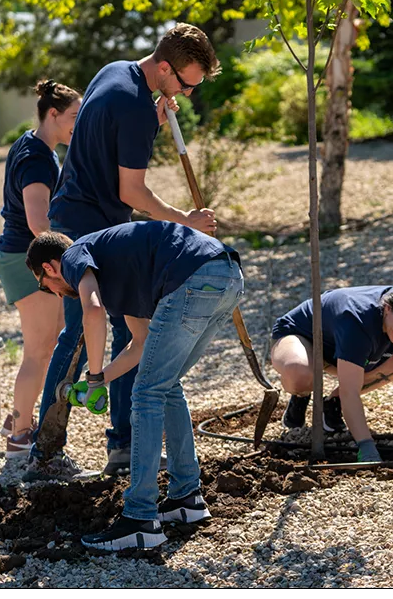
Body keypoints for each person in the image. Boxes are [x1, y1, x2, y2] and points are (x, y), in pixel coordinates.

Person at [32, 23, 223, 476]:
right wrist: (186, 221)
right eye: (186, 83)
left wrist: (154, 117)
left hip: (86, 216)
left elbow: (106, 137)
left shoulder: (116, 72)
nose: (189, 94)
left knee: (125, 330)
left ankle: (121, 446)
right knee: (82, 334)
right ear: (163, 67)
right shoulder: (136, 106)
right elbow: (133, 191)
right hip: (87, 226)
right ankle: (46, 451)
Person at [27, 222, 244, 550]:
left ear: (49, 267)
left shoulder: (73, 255)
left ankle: (140, 518)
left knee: (146, 393)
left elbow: (93, 310)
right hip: (227, 276)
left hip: (194, 276)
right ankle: (187, 500)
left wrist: (97, 376)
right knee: (166, 385)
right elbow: (140, 343)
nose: (57, 294)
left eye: (48, 287)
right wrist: (98, 379)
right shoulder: (119, 273)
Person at [269, 277, 393, 463]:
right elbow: (350, 390)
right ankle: (300, 397)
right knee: (301, 374)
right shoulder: (358, 322)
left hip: (340, 346)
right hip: (300, 335)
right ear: (387, 308)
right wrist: (366, 445)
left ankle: (332, 405)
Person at [0, 80, 80, 456]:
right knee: (40, 350)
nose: (76, 125)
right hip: (28, 259)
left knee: (44, 346)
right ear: (52, 114)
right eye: (73, 117)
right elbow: (37, 222)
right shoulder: (35, 157)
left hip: (25, 257)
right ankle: (19, 435)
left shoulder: (35, 145)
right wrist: (68, 258)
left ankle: (19, 418)